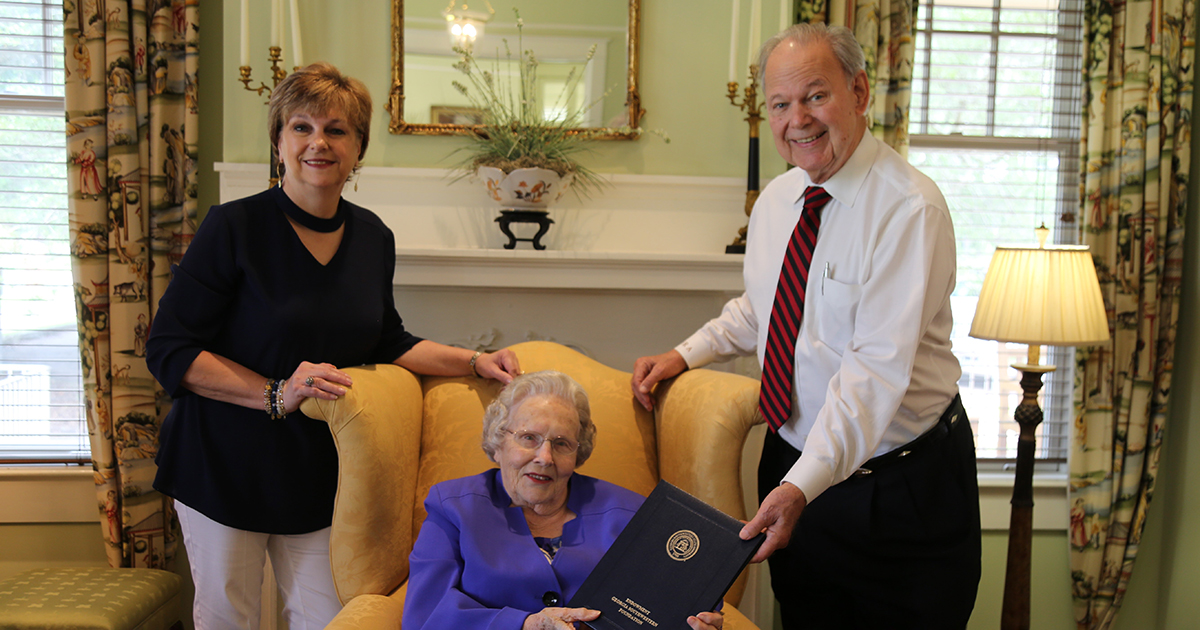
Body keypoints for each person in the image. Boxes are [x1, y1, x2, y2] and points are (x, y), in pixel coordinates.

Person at [145, 62, 522, 630]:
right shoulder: (233, 227)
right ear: (278, 142)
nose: (318, 142)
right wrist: (277, 393)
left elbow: (388, 341)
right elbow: (170, 348)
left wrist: (474, 361)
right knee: (230, 621)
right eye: (301, 127)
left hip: (320, 473)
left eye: (336, 130)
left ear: (358, 148)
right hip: (223, 462)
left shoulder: (373, 237)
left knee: (329, 620)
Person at [630, 24, 981, 630]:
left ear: (859, 92)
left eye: (816, 96)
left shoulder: (909, 209)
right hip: (794, 467)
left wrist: (801, 487)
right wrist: (684, 355)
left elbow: (873, 374)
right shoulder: (776, 201)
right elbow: (764, 309)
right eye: (780, 104)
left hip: (901, 488)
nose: (798, 120)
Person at [404, 371, 724, 630]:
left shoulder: (634, 514)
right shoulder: (453, 507)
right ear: (498, 441)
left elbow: (683, 594)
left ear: (578, 454)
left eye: (561, 444)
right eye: (529, 438)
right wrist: (525, 625)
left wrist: (699, 623)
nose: (544, 457)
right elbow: (425, 614)